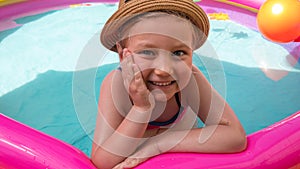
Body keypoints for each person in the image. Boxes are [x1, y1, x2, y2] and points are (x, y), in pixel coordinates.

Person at [91, 0, 247, 168]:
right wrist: (141, 108)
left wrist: (159, 144)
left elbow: (235, 137)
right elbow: (103, 162)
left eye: (179, 52)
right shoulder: (116, 85)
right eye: (147, 52)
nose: (164, 69)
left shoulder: (190, 79)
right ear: (123, 55)